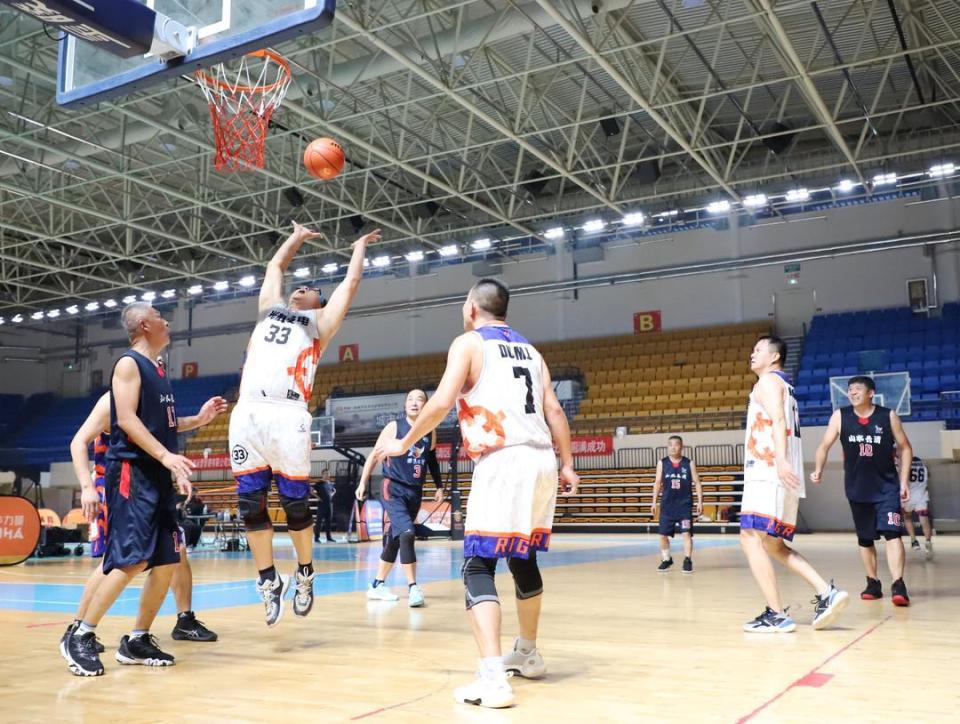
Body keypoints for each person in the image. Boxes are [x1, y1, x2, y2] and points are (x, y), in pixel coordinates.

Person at [375, 279, 579, 709]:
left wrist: (404, 440)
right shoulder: (531, 351)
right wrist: (567, 463)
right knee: (523, 557)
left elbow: (440, 403)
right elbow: (555, 410)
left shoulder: (468, 344)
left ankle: (492, 679)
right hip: (542, 457)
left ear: (471, 308)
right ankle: (526, 652)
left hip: (503, 458)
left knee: (477, 564)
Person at [230, 221, 380, 626]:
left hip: (288, 413)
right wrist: (294, 238)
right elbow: (275, 269)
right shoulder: (269, 310)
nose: (301, 288)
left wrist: (358, 249)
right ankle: (267, 580)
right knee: (250, 505)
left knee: (295, 503)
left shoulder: (321, 324)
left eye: (311, 288)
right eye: (300, 286)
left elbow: (349, 285)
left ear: (319, 301)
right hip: (247, 412)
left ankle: (306, 572)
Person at [62, 303, 211, 677]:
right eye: (162, 317)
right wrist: (166, 457)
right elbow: (126, 420)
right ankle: (80, 634)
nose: (168, 322)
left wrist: (197, 426)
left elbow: (164, 426)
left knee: (167, 559)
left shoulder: (159, 370)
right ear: (145, 325)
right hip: (132, 474)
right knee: (129, 559)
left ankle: (137, 639)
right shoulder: (128, 365)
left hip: (157, 474)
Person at [739, 335, 848, 633]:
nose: (752, 353)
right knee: (773, 545)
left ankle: (775, 614)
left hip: (769, 471)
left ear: (774, 357)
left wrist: (781, 460)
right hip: (783, 477)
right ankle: (827, 592)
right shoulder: (785, 386)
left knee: (749, 536)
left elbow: (778, 421)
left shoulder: (769, 383)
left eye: (758, 349)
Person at [810, 375, 913, 605]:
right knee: (865, 539)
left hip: (887, 487)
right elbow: (824, 445)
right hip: (858, 488)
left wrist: (904, 481)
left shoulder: (888, 416)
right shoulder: (840, 416)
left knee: (892, 533)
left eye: (858, 389)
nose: (852, 393)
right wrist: (818, 469)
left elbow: (905, 449)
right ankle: (873, 582)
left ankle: (898, 584)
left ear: (870, 393)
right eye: (849, 390)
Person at [356, 389, 444, 606]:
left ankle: (377, 585)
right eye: (410, 399)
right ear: (405, 405)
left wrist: (439, 486)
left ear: (425, 405)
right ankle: (413, 587)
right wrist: (363, 481)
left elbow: (431, 460)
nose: (414, 403)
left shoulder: (429, 430)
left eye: (420, 399)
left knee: (396, 539)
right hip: (392, 487)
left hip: (414, 491)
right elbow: (374, 455)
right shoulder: (394, 427)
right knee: (407, 533)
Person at [650, 435, 702, 574]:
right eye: (670, 445)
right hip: (667, 506)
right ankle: (666, 559)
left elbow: (697, 482)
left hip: (684, 506)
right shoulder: (662, 463)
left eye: (676, 444)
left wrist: (700, 501)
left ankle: (687, 560)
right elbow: (657, 483)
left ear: (681, 446)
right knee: (662, 535)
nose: (673, 447)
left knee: (686, 534)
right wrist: (653, 502)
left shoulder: (689, 463)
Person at [902, 455, 933, 560]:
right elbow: (928, 476)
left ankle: (914, 540)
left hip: (908, 496)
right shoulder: (924, 467)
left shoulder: (906, 466)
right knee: (925, 521)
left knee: (907, 518)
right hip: (921, 495)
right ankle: (928, 541)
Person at [313, 468, 336, 544]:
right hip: (321, 505)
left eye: (328, 473)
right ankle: (316, 538)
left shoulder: (330, 483)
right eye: (325, 473)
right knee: (319, 522)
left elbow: (334, 490)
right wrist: (318, 497)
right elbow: (310, 490)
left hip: (329, 505)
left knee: (328, 522)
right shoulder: (319, 483)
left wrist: (331, 495)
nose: (327, 475)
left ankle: (329, 537)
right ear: (322, 474)